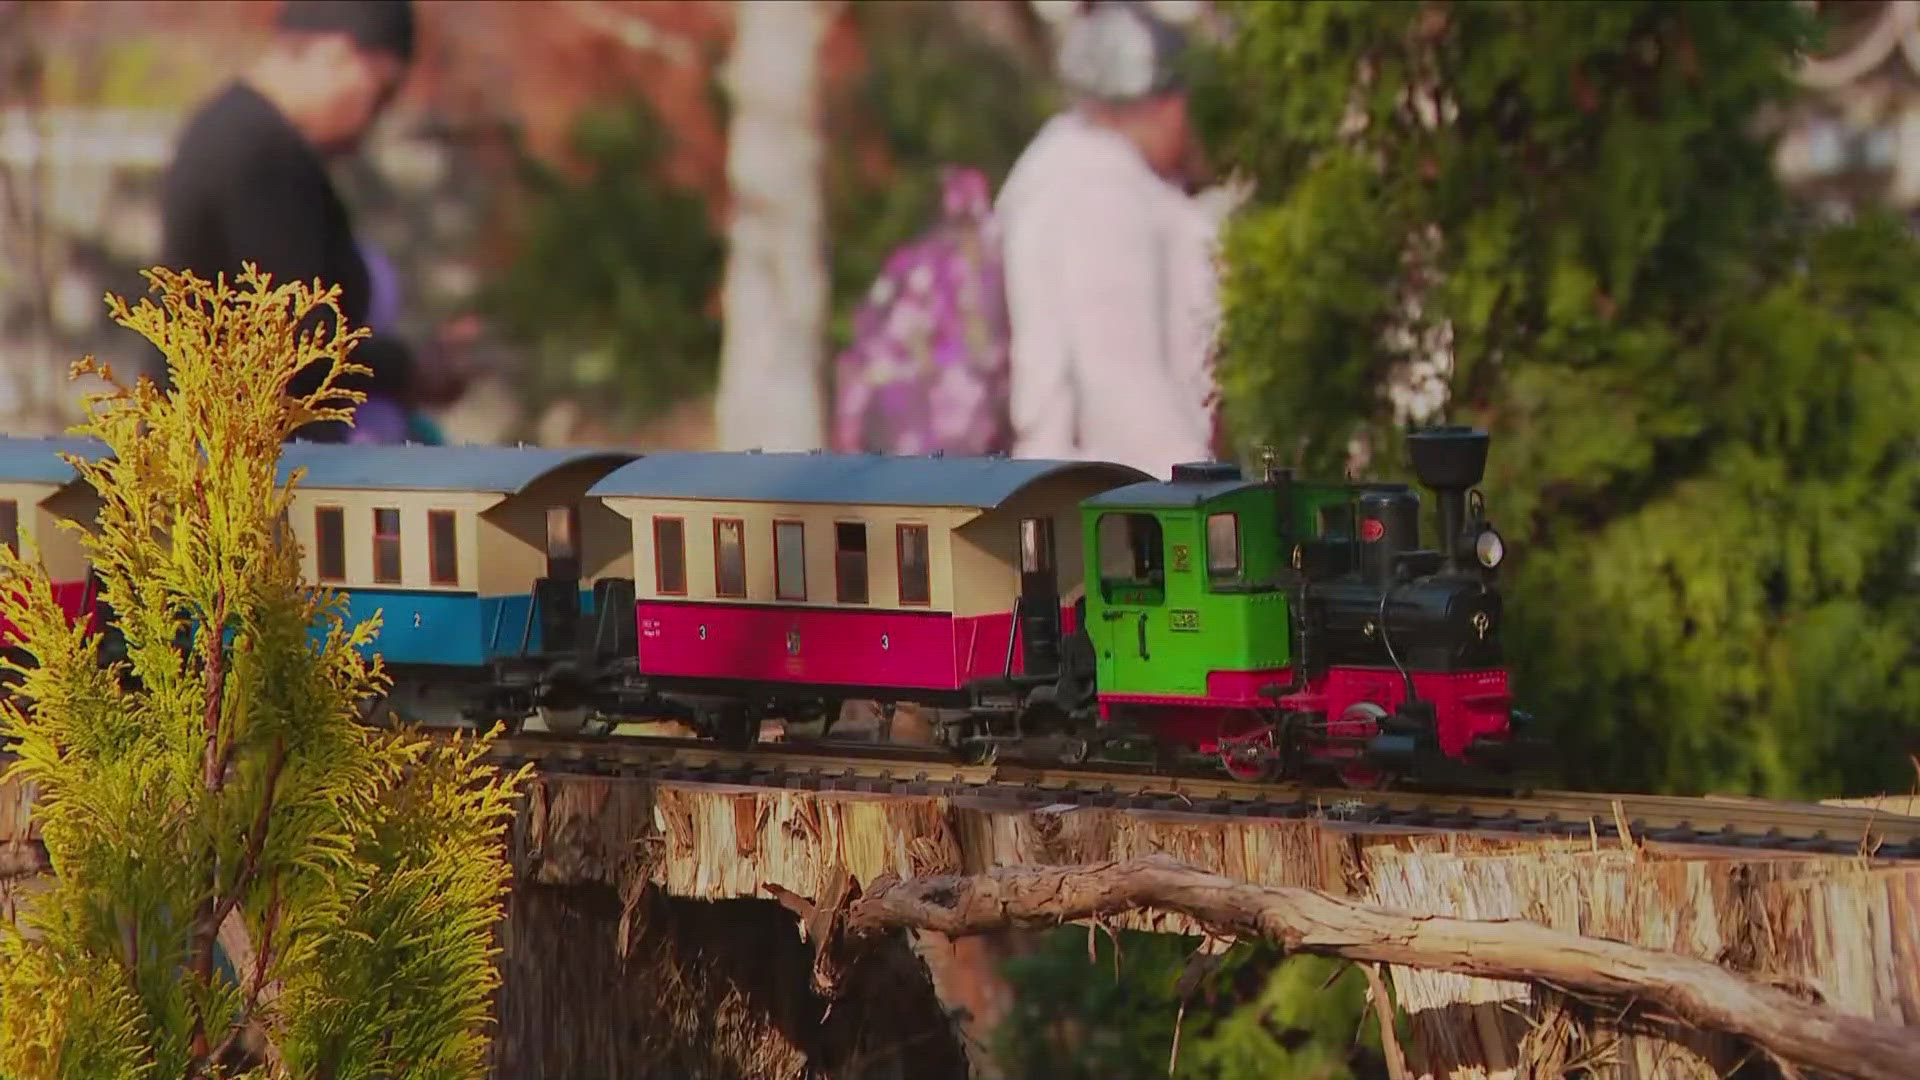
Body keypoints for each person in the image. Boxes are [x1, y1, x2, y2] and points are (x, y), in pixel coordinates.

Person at [157, 0, 454, 442]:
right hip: (244, 469)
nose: (376, 117)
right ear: (336, 55)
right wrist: (412, 368)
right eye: (381, 90)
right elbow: (299, 346)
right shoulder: (260, 153)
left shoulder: (238, 133)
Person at [994, 0, 1224, 478]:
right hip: (1112, 497)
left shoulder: (1091, 174)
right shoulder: (1097, 189)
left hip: (1104, 488)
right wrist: (1198, 492)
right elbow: (1118, 382)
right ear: (1162, 103)